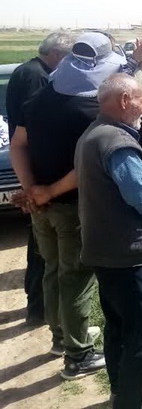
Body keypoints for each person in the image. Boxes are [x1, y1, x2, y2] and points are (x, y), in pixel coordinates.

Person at [9, 32, 124, 379]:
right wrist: (47, 191)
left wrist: (31, 190)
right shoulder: (90, 109)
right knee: (75, 277)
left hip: (41, 208)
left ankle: (61, 337)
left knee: (53, 269)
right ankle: (79, 355)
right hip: (73, 206)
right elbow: (84, 165)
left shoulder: (40, 98)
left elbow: (18, 145)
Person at [75, 74, 142, 409]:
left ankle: (122, 391)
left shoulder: (92, 134)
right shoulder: (116, 142)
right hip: (126, 256)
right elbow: (141, 194)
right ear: (123, 101)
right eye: (141, 101)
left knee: (119, 327)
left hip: (102, 251)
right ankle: (132, 402)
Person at [5, 31, 73, 325]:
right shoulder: (37, 76)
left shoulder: (26, 70)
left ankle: (40, 307)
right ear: (57, 54)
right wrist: (32, 184)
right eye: (68, 58)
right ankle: (39, 309)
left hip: (30, 168)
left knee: (41, 246)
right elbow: (36, 127)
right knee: (43, 250)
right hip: (36, 171)